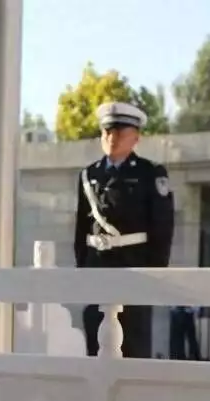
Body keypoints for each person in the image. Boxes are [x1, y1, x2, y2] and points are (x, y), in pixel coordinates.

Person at [75, 101, 175, 359]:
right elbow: (81, 230)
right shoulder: (89, 175)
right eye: (107, 131)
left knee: (134, 344)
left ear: (136, 137)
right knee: (96, 345)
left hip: (134, 268)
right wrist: (84, 269)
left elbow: (162, 230)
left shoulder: (149, 173)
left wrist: (154, 275)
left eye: (120, 132)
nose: (112, 137)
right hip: (98, 267)